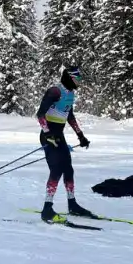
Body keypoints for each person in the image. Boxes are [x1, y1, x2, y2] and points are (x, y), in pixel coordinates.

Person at [37, 65, 91, 222]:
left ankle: (72, 204)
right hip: (48, 134)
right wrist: (48, 134)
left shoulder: (70, 94)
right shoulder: (55, 91)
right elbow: (40, 114)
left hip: (58, 135)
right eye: (77, 78)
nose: (79, 82)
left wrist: (80, 136)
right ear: (69, 77)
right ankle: (47, 209)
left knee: (68, 168)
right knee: (57, 168)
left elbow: (70, 116)